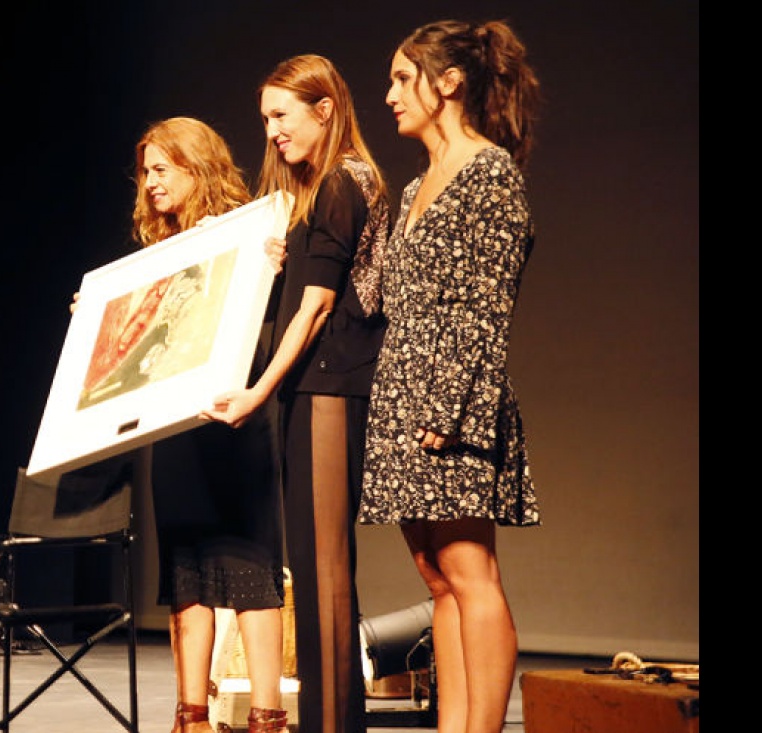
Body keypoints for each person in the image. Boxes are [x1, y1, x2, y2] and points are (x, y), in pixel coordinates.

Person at [75, 116, 290, 733]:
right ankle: (190, 714)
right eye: (145, 172)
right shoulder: (156, 257)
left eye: (162, 170)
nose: (149, 183)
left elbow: (271, 318)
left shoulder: (250, 235)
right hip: (177, 435)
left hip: (235, 422)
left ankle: (267, 715)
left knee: (251, 566)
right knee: (187, 573)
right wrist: (99, 322)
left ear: (198, 169)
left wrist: (273, 268)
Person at [358, 19, 543, 733]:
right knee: (437, 578)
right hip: (403, 398)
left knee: (472, 574)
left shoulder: (488, 172)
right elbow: (375, 294)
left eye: (404, 79)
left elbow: (488, 305)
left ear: (450, 83)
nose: (390, 95)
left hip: (450, 403)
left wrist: (450, 407)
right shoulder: (412, 190)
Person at [203, 54, 391, 733]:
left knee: (325, 571)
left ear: (325, 109)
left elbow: (316, 308)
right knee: (312, 573)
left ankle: (333, 725)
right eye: (265, 119)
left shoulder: (344, 180)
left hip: (328, 392)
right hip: (311, 394)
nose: (272, 131)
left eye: (281, 115)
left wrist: (255, 393)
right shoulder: (320, 190)